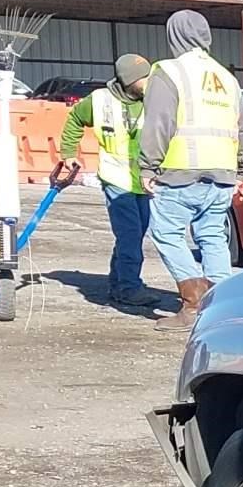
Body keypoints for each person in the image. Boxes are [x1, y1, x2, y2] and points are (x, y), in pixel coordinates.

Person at [140, 10, 243, 324]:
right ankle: (223, 307)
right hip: (222, 174)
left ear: (174, 35)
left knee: (165, 232)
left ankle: (194, 304)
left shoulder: (168, 72)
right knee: (213, 236)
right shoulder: (226, 78)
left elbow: (158, 123)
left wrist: (148, 166)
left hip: (180, 172)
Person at [59, 54, 154, 309]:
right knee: (130, 234)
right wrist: (68, 154)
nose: (148, 82)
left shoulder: (154, 100)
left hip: (144, 181)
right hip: (116, 177)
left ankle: (118, 282)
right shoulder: (99, 101)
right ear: (128, 80)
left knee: (134, 233)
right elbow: (75, 120)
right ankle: (129, 288)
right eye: (143, 77)